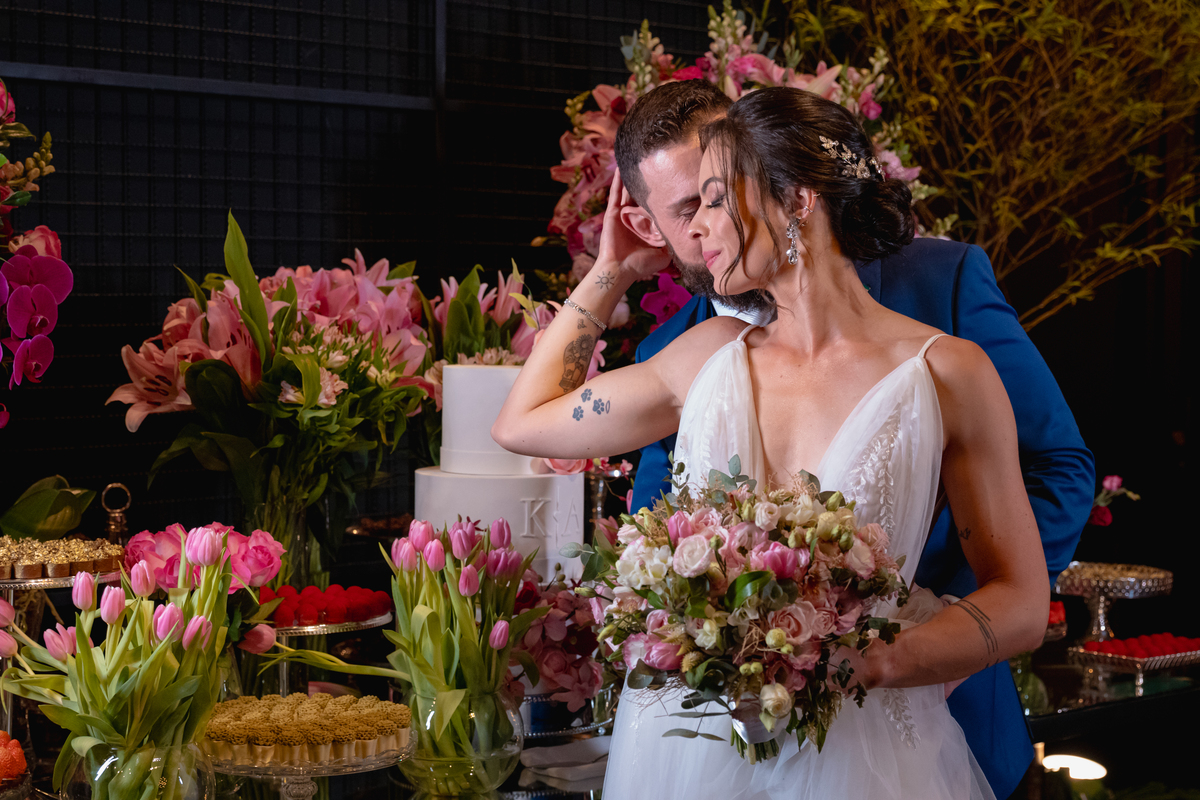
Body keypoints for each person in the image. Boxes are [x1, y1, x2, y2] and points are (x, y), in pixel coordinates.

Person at [494, 86, 1050, 799]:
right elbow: (523, 422)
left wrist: (877, 662)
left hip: (866, 753)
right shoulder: (707, 354)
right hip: (688, 755)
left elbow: (1022, 602)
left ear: (796, 199)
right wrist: (611, 273)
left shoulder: (947, 373)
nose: (696, 230)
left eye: (715, 199)